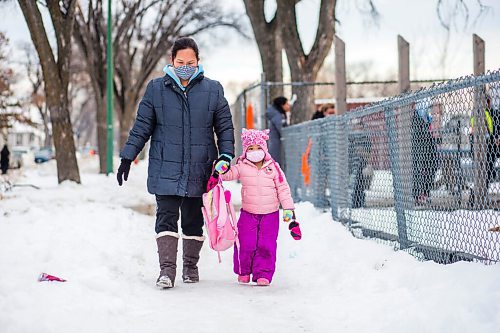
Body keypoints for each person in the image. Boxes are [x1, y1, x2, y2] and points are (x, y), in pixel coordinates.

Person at [116, 37, 235, 289]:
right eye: (180, 62)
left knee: (193, 220)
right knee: (166, 216)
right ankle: (167, 271)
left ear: (198, 62)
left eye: (190, 62)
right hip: (165, 165)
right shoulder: (156, 89)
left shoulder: (213, 90)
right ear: (171, 61)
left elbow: (224, 128)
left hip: (200, 167)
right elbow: (142, 127)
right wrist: (128, 156)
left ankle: (190, 267)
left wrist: (225, 156)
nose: (185, 66)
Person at [219, 128, 301, 286]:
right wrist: (220, 168)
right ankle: (244, 271)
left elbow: (283, 189)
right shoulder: (242, 166)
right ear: (245, 151)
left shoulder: (273, 167)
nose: (255, 152)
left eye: (258, 148)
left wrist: (288, 209)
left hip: (270, 215)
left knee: (267, 244)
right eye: (251, 149)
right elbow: (227, 175)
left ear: (265, 149)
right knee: (245, 242)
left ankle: (263, 273)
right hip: (248, 214)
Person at [469, 95, 500, 207]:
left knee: (485, 173)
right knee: (485, 173)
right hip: (487, 149)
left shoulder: (479, 114)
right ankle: (477, 196)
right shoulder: (480, 114)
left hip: (487, 148)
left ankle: (478, 195)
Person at [411, 102, 440, 206]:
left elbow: (436, 137)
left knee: (431, 170)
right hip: (421, 151)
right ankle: (419, 195)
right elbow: (421, 135)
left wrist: (436, 134)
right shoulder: (416, 119)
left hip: (430, 151)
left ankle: (425, 193)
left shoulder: (429, 119)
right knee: (420, 173)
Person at [266, 96, 291, 165]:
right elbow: (282, 129)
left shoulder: (277, 114)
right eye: (287, 104)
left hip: (275, 144)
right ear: (282, 105)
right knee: (277, 164)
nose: (288, 106)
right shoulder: (277, 116)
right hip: (277, 145)